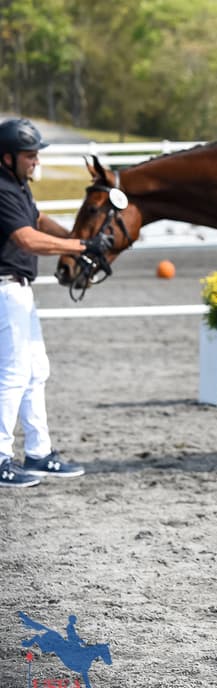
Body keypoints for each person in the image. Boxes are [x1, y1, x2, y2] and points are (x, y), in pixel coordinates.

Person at [0, 118, 98, 488]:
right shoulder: (1, 190)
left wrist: (76, 237)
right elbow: (27, 239)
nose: (36, 161)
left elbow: (38, 220)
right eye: (30, 155)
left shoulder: (17, 186)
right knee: (12, 373)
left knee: (36, 370)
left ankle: (38, 452)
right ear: (7, 158)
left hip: (19, 290)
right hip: (5, 290)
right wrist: (79, 245)